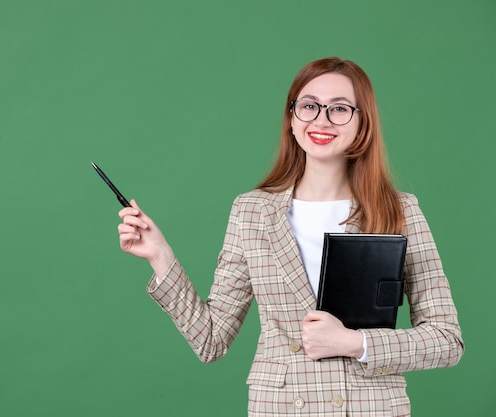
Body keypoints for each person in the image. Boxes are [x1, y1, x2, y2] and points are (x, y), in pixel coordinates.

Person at [116, 57, 464, 417]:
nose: (321, 120)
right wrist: (160, 255)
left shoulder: (398, 211)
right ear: (292, 119)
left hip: (370, 408)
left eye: (340, 109)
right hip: (282, 408)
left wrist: (354, 342)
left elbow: (447, 340)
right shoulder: (252, 211)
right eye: (309, 106)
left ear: (363, 124)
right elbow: (211, 340)